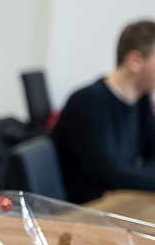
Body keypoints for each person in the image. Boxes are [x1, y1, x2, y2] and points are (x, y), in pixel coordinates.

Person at [50, 19, 155, 203]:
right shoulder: (88, 102)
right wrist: (124, 180)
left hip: (111, 203)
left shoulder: (141, 100)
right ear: (135, 61)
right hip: (78, 211)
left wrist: (127, 179)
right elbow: (109, 174)